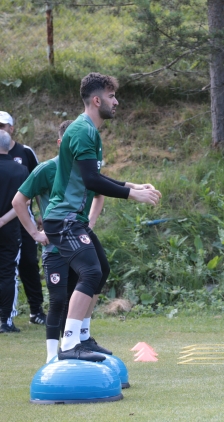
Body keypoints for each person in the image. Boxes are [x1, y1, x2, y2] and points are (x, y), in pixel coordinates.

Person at [42, 73, 161, 361]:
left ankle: (82, 337)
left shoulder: (90, 131)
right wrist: (133, 195)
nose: (116, 101)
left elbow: (93, 176)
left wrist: (131, 185)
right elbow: (93, 182)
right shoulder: (83, 131)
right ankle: (70, 344)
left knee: (101, 269)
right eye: (111, 96)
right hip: (63, 219)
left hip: (73, 219)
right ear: (97, 100)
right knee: (91, 271)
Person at [13, 120, 105, 362]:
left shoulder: (82, 169)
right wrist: (35, 233)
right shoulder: (46, 169)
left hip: (77, 241)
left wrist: (90, 223)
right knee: (58, 301)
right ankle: (52, 358)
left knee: (84, 287)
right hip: (54, 247)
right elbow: (18, 201)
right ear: (60, 144)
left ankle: (76, 343)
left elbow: (99, 194)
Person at [0, 111, 45, 326]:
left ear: (11, 128)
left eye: (3, 126)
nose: (0, 129)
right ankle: (6, 315)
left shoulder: (25, 153)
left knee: (28, 262)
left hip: (23, 219)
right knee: (8, 268)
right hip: (7, 221)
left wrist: (42, 215)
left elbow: (37, 185)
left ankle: (36, 310)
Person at [0, 129, 28, 333]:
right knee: (8, 273)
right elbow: (23, 203)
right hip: (10, 229)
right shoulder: (21, 171)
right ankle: (5, 321)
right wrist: (3, 220)